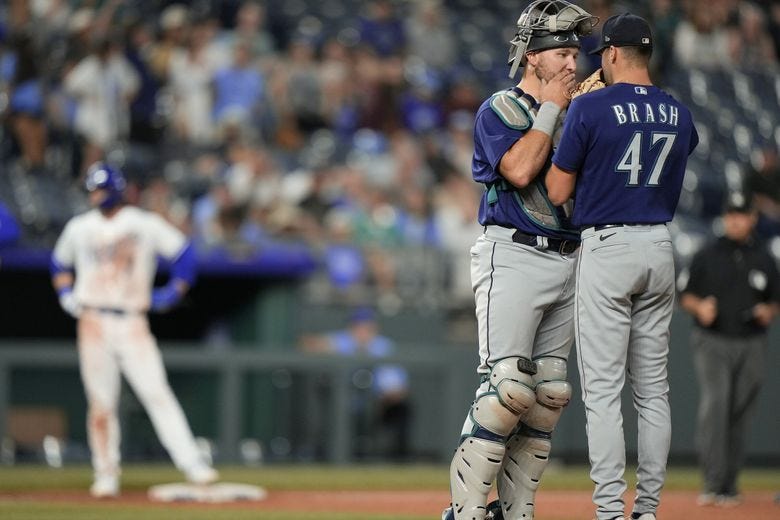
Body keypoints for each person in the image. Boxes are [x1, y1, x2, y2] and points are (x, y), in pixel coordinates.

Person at [442, 2, 598, 519]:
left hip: (569, 256)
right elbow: (519, 169)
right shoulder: (501, 107)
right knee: (506, 389)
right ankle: (464, 511)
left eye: (576, 51)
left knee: (549, 394)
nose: (572, 62)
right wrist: (554, 109)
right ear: (532, 56)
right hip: (513, 253)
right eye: (561, 52)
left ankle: (517, 511)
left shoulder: (579, 109)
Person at [546, 13, 699, 520]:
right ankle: (648, 509)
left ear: (610, 53)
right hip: (659, 243)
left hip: (609, 246)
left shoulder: (591, 106)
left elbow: (557, 191)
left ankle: (611, 511)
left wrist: (573, 119)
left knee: (604, 393)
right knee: (653, 391)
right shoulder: (678, 111)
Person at [50, 163, 218, 498]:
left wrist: (175, 291)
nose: (95, 195)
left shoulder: (143, 224)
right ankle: (106, 472)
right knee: (101, 403)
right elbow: (59, 262)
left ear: (115, 189)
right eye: (92, 189)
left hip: (131, 321)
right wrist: (65, 294)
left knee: (157, 393)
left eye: (100, 188)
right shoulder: (80, 227)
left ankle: (192, 464)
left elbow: (184, 255)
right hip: (93, 320)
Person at [679, 192, 780, 507]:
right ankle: (713, 483)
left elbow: (775, 298)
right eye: (731, 214)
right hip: (714, 339)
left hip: (752, 339)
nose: (736, 219)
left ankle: (729, 484)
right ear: (725, 217)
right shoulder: (707, 253)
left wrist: (769, 310)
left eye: (742, 214)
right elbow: (686, 295)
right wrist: (700, 307)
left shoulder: (764, 256)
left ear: (752, 218)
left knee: (740, 412)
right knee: (717, 405)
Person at [300, 307, 411, 461]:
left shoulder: (383, 346)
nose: (362, 331)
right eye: (358, 326)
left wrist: (383, 400)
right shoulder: (343, 341)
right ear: (351, 327)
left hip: (375, 408)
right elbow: (306, 344)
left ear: (374, 328)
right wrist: (326, 347)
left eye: (366, 326)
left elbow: (397, 388)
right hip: (341, 407)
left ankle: (378, 456)